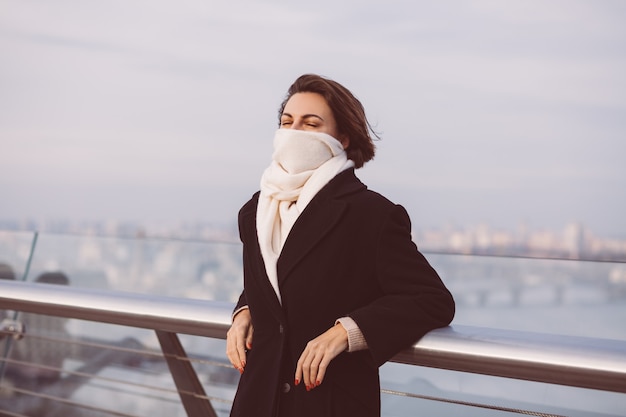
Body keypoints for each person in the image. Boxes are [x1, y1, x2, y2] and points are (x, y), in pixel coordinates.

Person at [226, 74, 455, 417]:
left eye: (310, 123)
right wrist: (245, 311)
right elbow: (279, 280)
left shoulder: (372, 215)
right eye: (287, 122)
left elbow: (431, 300)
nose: (294, 132)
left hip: (329, 404)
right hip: (258, 401)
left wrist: (347, 331)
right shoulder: (255, 211)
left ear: (343, 138)